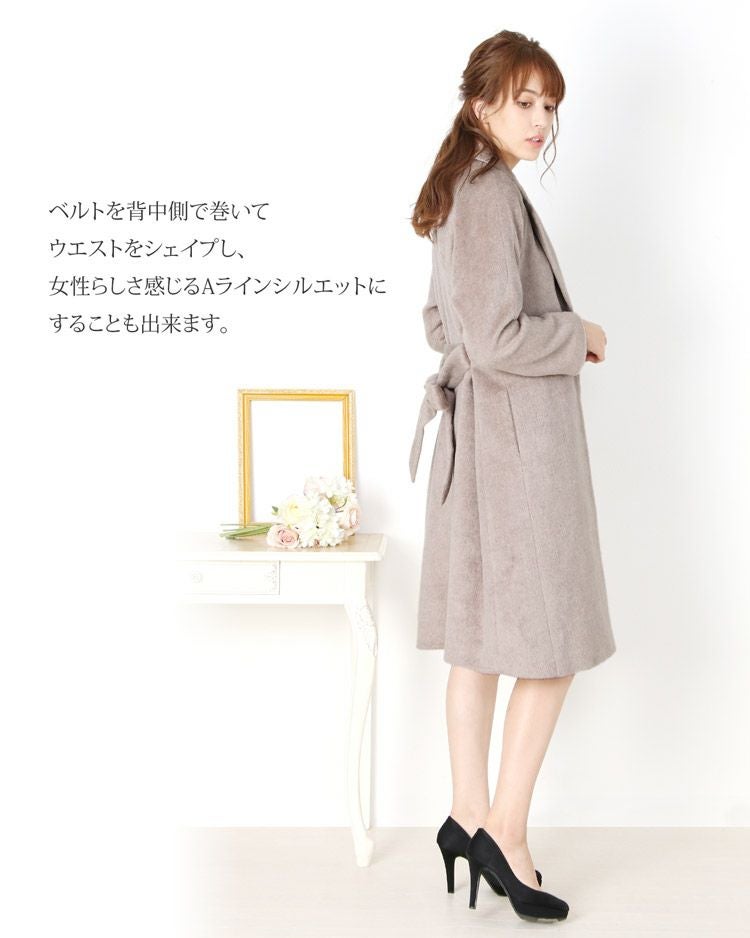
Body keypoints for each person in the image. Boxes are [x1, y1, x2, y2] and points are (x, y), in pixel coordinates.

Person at [409, 31, 617, 923]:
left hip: (481, 449)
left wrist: (479, 356)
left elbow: (441, 323)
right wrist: (579, 335)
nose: (541, 120)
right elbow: (492, 339)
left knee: (482, 641)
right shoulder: (489, 193)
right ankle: (506, 833)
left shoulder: (459, 189)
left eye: (549, 106)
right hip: (519, 454)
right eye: (525, 101)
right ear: (481, 104)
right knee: (550, 644)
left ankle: (467, 816)